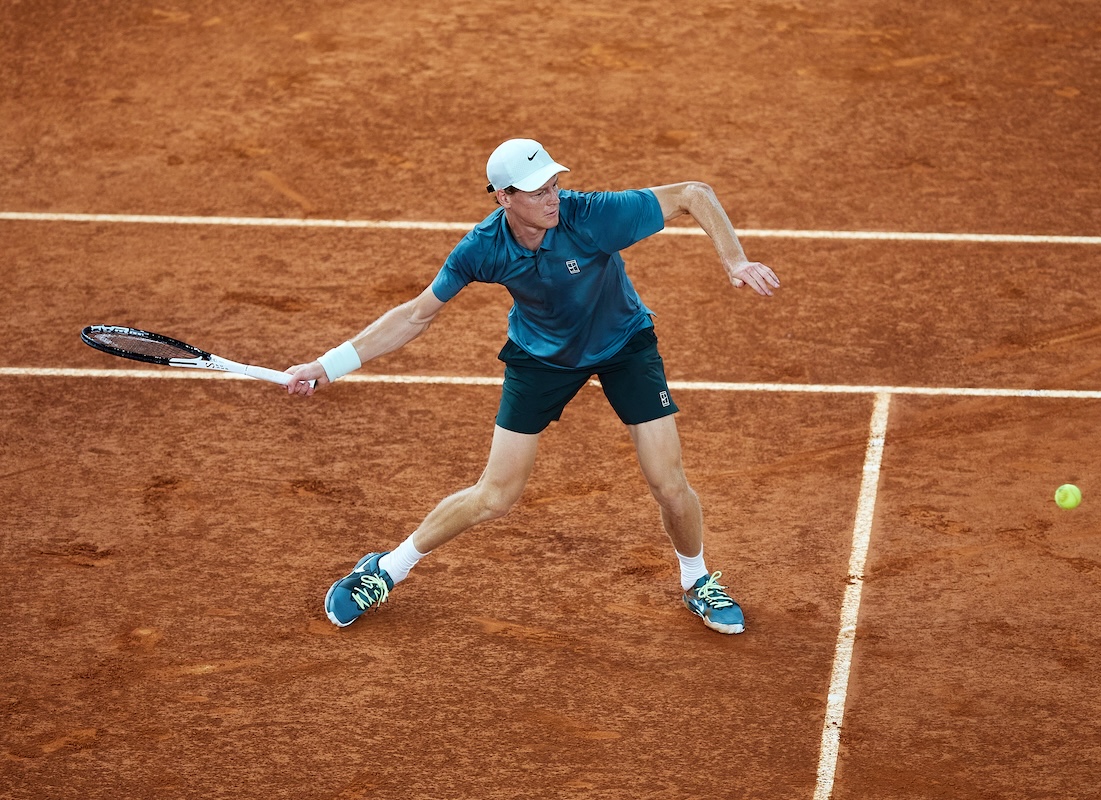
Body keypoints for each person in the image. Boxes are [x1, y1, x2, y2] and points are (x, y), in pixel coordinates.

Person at [284, 138, 780, 635]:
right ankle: (386, 569)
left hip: (624, 344)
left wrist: (735, 261)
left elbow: (693, 193)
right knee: (494, 497)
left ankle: (697, 581)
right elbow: (416, 315)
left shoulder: (591, 215)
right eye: (537, 192)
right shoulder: (483, 247)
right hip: (540, 358)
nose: (552, 199)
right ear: (503, 198)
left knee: (668, 483)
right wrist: (329, 364)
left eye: (554, 185)